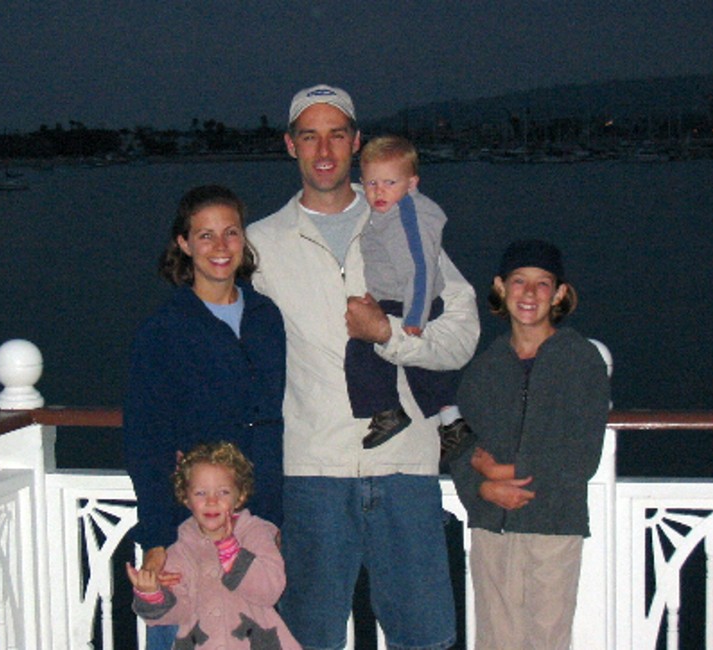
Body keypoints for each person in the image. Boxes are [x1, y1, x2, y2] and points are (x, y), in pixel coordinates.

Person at [247, 84, 480, 650]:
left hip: (405, 466)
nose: (324, 149)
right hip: (312, 473)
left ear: (356, 142)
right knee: (308, 640)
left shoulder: (404, 221)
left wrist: (391, 337)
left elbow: (462, 335)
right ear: (290, 145)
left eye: (336, 135)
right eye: (310, 136)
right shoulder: (260, 244)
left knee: (423, 639)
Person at [123, 185, 286, 650]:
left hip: (255, 523)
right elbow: (145, 442)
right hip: (187, 528)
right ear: (184, 243)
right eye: (205, 235)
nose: (220, 246)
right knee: (179, 633)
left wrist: (274, 518)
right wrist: (156, 537)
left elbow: (274, 418)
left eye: (230, 232)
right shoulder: (164, 331)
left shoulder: (266, 318)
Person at [448, 239, 610, 649]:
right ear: (501, 287)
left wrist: (508, 471)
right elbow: (458, 439)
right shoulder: (485, 367)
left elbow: (582, 454)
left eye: (542, 283)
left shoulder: (580, 361)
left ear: (558, 293)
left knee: (546, 640)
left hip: (552, 524)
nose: (530, 293)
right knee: (494, 640)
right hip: (491, 526)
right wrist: (481, 487)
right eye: (520, 281)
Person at [346, 134, 464, 452]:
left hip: (409, 302)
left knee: (361, 352)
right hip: (395, 298)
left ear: (411, 183)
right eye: (372, 184)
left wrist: (414, 317)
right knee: (423, 371)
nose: (379, 191)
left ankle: (387, 411)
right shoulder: (387, 212)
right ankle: (453, 423)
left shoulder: (408, 216)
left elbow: (421, 269)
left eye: (390, 183)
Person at [127, 441, 301, 650]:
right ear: (186, 498)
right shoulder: (180, 548)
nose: (211, 501)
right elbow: (180, 612)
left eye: (223, 492)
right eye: (201, 493)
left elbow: (270, 590)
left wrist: (233, 555)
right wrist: (152, 594)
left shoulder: (255, 533)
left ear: (240, 496)